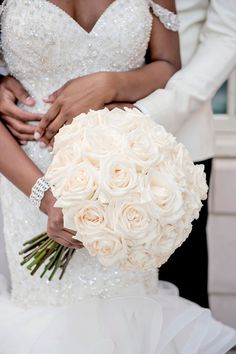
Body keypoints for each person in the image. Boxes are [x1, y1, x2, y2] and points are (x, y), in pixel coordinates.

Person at [0, 0, 235, 353]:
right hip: (24, 177)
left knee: (131, 316)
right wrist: (44, 196)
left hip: (127, 175)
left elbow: (169, 64)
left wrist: (114, 85)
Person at [134, 0, 236, 308]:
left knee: (178, 297)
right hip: (64, 131)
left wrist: (149, 111)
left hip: (179, 137)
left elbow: (227, 33)